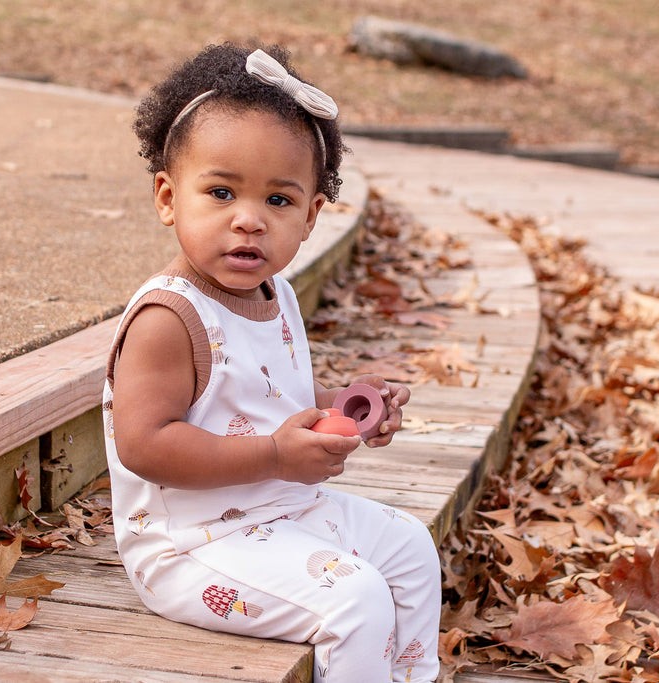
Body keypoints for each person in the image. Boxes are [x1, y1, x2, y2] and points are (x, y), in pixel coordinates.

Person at [102, 42, 440, 682]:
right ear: (169, 198)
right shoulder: (168, 319)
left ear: (311, 216)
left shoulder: (275, 293)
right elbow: (143, 446)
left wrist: (349, 407)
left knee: (410, 547)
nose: (249, 221)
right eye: (221, 192)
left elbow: (272, 394)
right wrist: (276, 457)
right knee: (358, 599)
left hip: (282, 511)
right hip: (193, 547)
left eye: (278, 202)